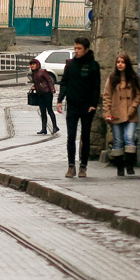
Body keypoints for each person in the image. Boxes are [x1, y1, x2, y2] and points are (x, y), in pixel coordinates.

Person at [57, 36, 101, 178]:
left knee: (85, 136)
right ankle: (71, 166)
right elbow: (64, 82)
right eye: (75, 48)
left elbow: (96, 86)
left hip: (87, 106)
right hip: (73, 105)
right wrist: (60, 99)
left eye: (79, 48)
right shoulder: (71, 65)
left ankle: (83, 166)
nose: (76, 51)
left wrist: (93, 104)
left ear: (86, 49)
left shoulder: (93, 65)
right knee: (71, 136)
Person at [102, 52, 140, 177]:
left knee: (129, 137)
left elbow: (139, 94)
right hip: (116, 113)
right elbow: (107, 96)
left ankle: (130, 165)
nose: (120, 64)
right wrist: (107, 112)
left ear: (127, 64)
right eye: (118, 62)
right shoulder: (112, 79)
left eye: (122, 62)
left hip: (131, 114)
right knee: (118, 141)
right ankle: (120, 168)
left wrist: (134, 106)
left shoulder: (134, 77)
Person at [27, 58, 57, 136]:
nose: (32, 66)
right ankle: (44, 128)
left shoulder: (42, 71)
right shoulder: (33, 74)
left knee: (49, 110)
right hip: (39, 94)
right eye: (31, 64)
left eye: (33, 64)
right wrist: (34, 86)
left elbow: (49, 80)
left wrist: (52, 89)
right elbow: (37, 83)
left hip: (47, 93)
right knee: (42, 111)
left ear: (37, 65)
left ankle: (55, 126)